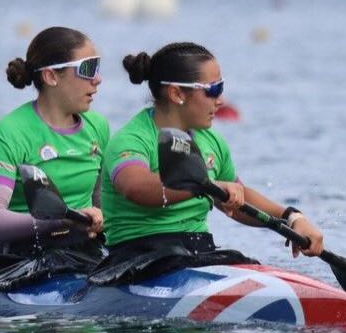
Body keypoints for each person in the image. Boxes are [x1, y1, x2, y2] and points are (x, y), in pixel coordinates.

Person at [91, 42, 323, 284]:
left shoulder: (211, 140)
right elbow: (136, 187)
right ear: (177, 94)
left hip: (196, 251)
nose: (220, 100)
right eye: (213, 89)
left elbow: (237, 199)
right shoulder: (132, 139)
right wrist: (207, 186)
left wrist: (293, 218)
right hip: (136, 260)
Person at [0, 26, 109, 290]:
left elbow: (101, 204)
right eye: (88, 68)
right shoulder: (7, 134)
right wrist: (60, 222)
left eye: (97, 67)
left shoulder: (98, 127)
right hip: (24, 261)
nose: (98, 79)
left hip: (86, 253)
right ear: (51, 76)